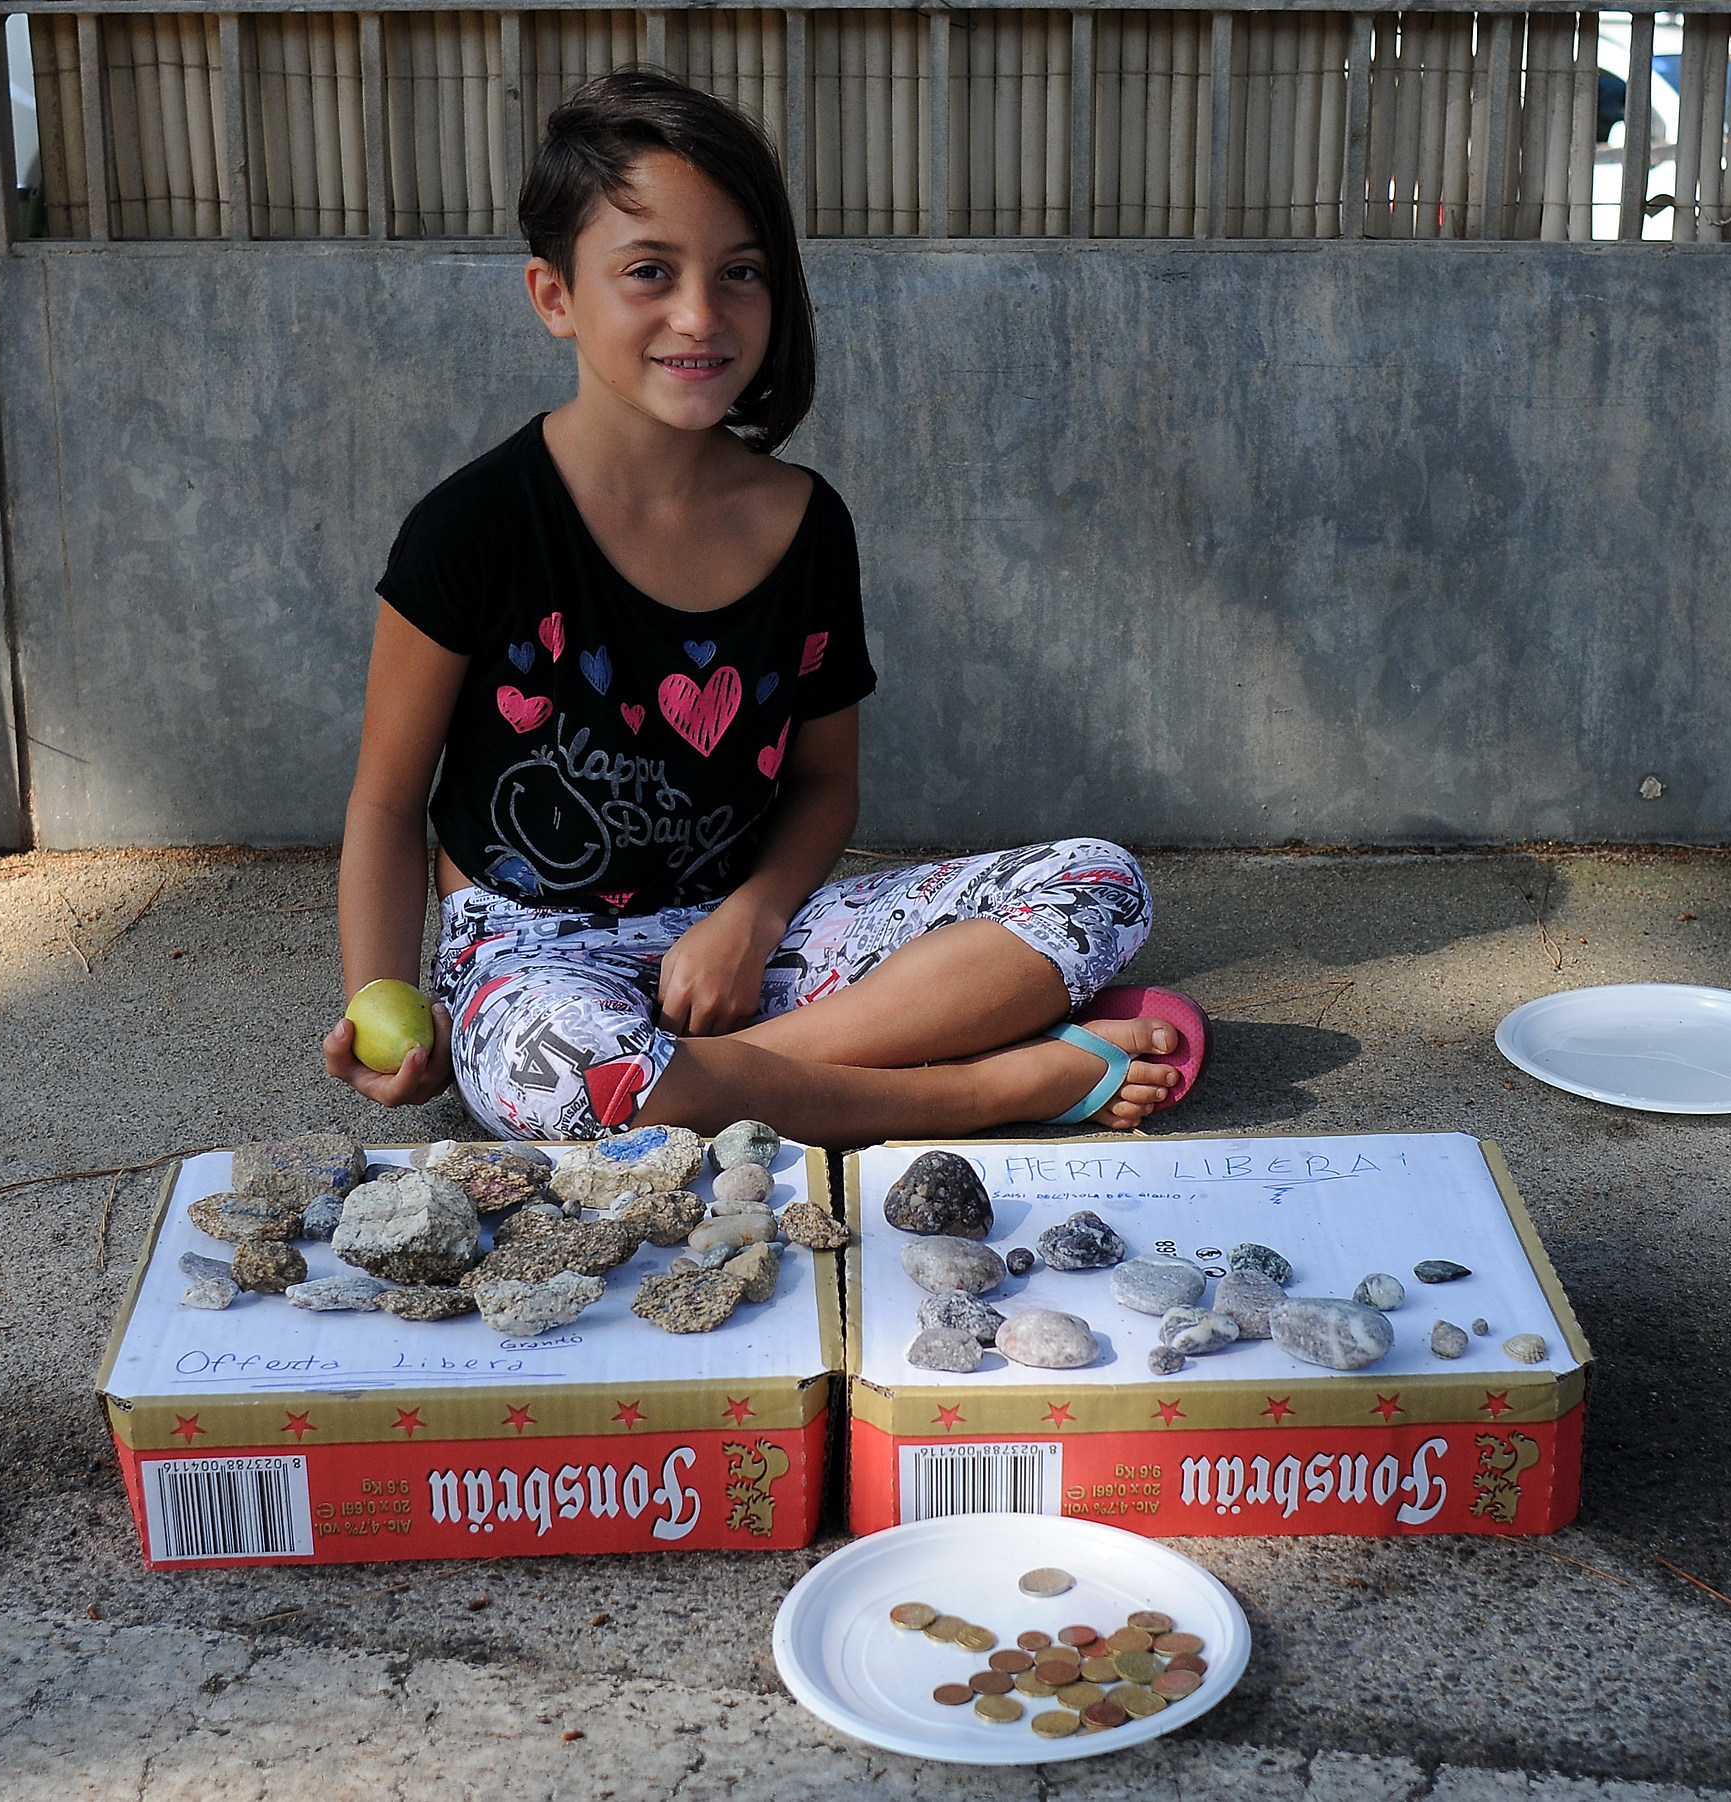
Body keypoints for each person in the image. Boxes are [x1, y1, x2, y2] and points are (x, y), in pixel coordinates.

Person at [322, 70, 1206, 1147]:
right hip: (531, 955)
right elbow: (383, 802)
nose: (700, 314)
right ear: (554, 296)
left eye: (739, 272)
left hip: (753, 949)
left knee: (1102, 887)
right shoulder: (471, 528)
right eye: (649, 271)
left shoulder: (805, 523)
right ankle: (986, 1085)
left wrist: (751, 918)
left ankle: (693, 1083)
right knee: (569, 1077)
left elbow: (827, 782)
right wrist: (386, 1007)